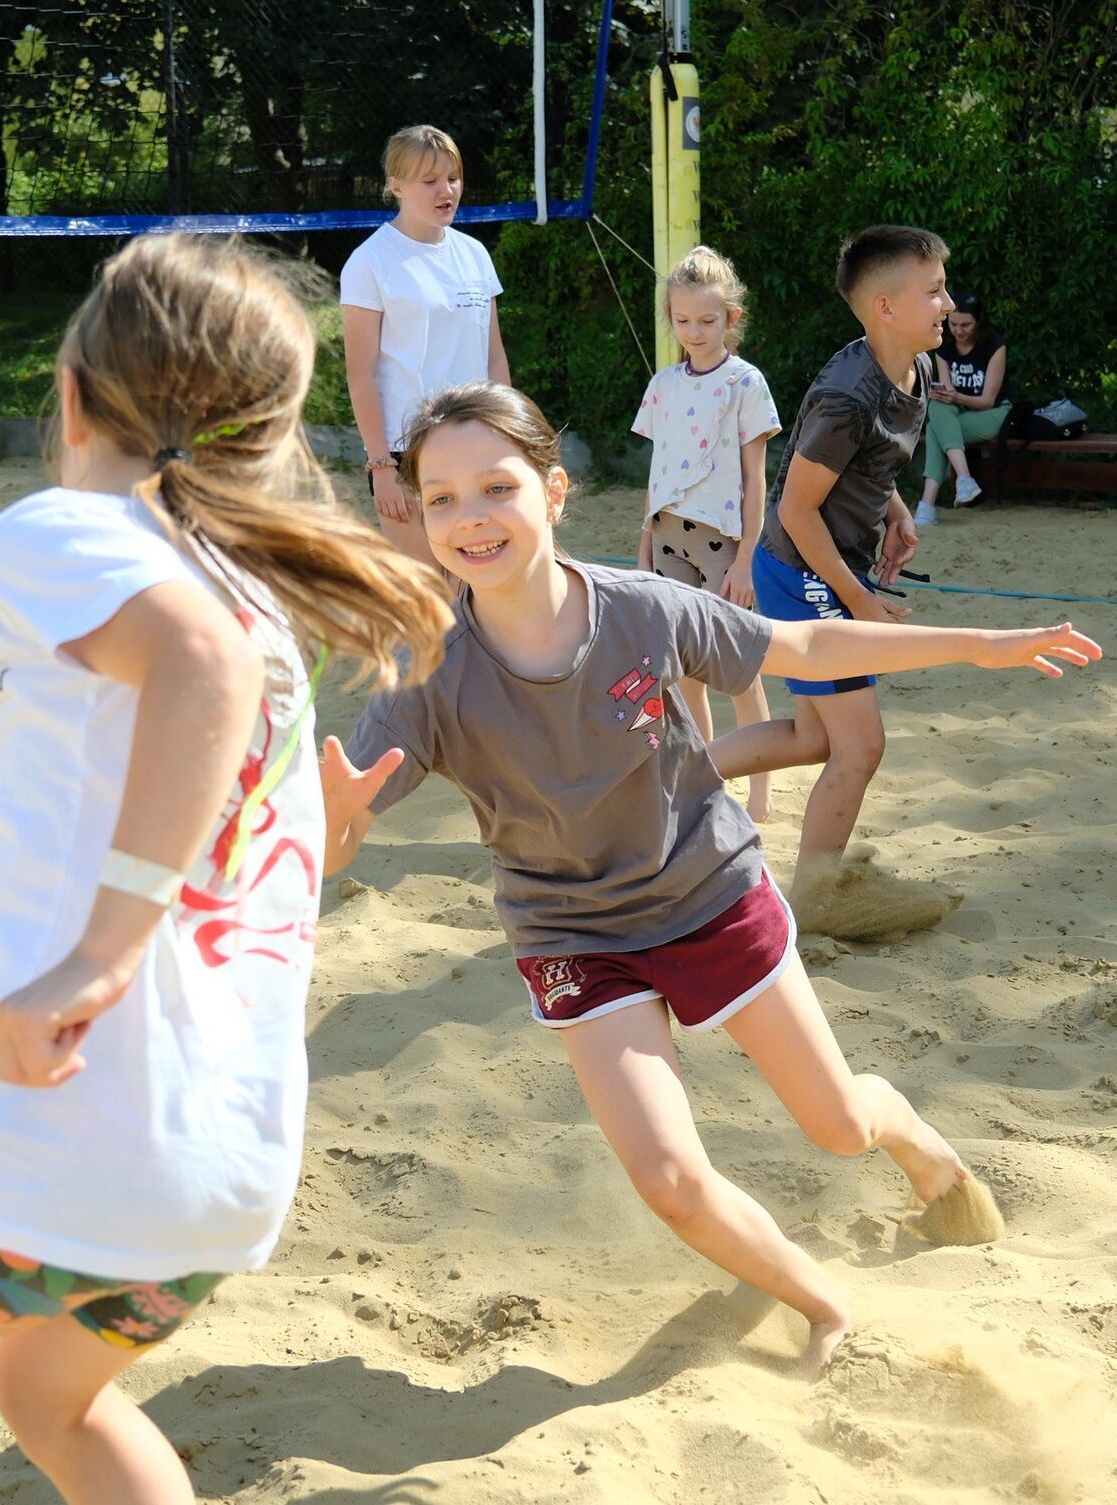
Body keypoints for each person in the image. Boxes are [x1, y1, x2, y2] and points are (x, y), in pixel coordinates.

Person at [322, 380, 1099, 1375]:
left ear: (553, 492)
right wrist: (336, 826)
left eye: (495, 487)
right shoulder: (427, 671)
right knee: (669, 1178)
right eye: (440, 498)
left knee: (838, 1124)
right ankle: (823, 1303)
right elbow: (335, 843)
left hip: (710, 894)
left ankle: (905, 1128)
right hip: (574, 935)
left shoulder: (642, 610)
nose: (470, 518)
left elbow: (805, 642)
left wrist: (978, 643)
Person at [0, 234, 451, 1505]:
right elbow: (201, 785)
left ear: (68, 397)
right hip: (224, 1164)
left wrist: (96, 948)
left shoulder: (60, 530)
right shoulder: (250, 596)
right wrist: (39, 850)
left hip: (92, 1121)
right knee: (42, 1395)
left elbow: (197, 676)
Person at [752, 225, 955, 936]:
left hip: (826, 567)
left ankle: (667, 771)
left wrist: (895, 511)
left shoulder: (914, 368)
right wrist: (859, 598)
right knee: (861, 746)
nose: (947, 303)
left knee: (814, 737)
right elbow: (796, 509)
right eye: (933, 291)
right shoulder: (848, 395)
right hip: (799, 572)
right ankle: (813, 902)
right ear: (884, 307)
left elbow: (870, 466)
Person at [633, 245, 781, 822]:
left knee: (740, 670)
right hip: (668, 535)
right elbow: (657, 473)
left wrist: (746, 561)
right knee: (687, 670)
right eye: (682, 319)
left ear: (731, 319)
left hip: (724, 542)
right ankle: (707, 778)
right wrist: (644, 548)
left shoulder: (746, 383)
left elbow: (755, 479)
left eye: (707, 320)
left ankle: (763, 791)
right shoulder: (664, 384)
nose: (693, 331)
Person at [341, 124, 510, 568]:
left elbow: (494, 358)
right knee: (429, 598)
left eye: (452, 177)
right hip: (407, 454)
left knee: (480, 592)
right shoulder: (370, 261)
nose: (446, 190)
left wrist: (508, 437)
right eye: (430, 181)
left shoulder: (474, 253)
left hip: (476, 441)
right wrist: (381, 468)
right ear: (396, 186)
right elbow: (360, 374)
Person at [915, 290, 1013, 526]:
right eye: (954, 324)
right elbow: (946, 392)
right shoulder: (944, 346)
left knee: (937, 428)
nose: (958, 331)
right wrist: (946, 394)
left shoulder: (995, 346)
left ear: (978, 322)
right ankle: (964, 481)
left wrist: (955, 396)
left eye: (966, 325)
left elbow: (988, 400)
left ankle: (928, 505)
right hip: (958, 414)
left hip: (994, 413)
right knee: (938, 406)